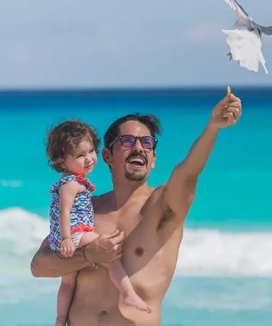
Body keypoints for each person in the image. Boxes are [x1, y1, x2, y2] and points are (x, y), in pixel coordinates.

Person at [30, 90, 242, 326]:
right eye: (128, 141)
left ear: (153, 159)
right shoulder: (86, 209)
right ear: (108, 155)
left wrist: (213, 128)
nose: (139, 147)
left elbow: (189, 172)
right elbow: (39, 266)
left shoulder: (163, 206)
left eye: (147, 143)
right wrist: (89, 255)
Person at [45, 120, 153, 326]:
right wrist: (68, 238)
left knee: (68, 282)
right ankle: (128, 293)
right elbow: (63, 211)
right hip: (75, 233)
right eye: (79, 155)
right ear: (61, 162)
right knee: (111, 255)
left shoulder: (69, 181)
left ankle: (60, 320)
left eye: (91, 151)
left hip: (68, 235)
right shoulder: (72, 183)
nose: (89, 159)